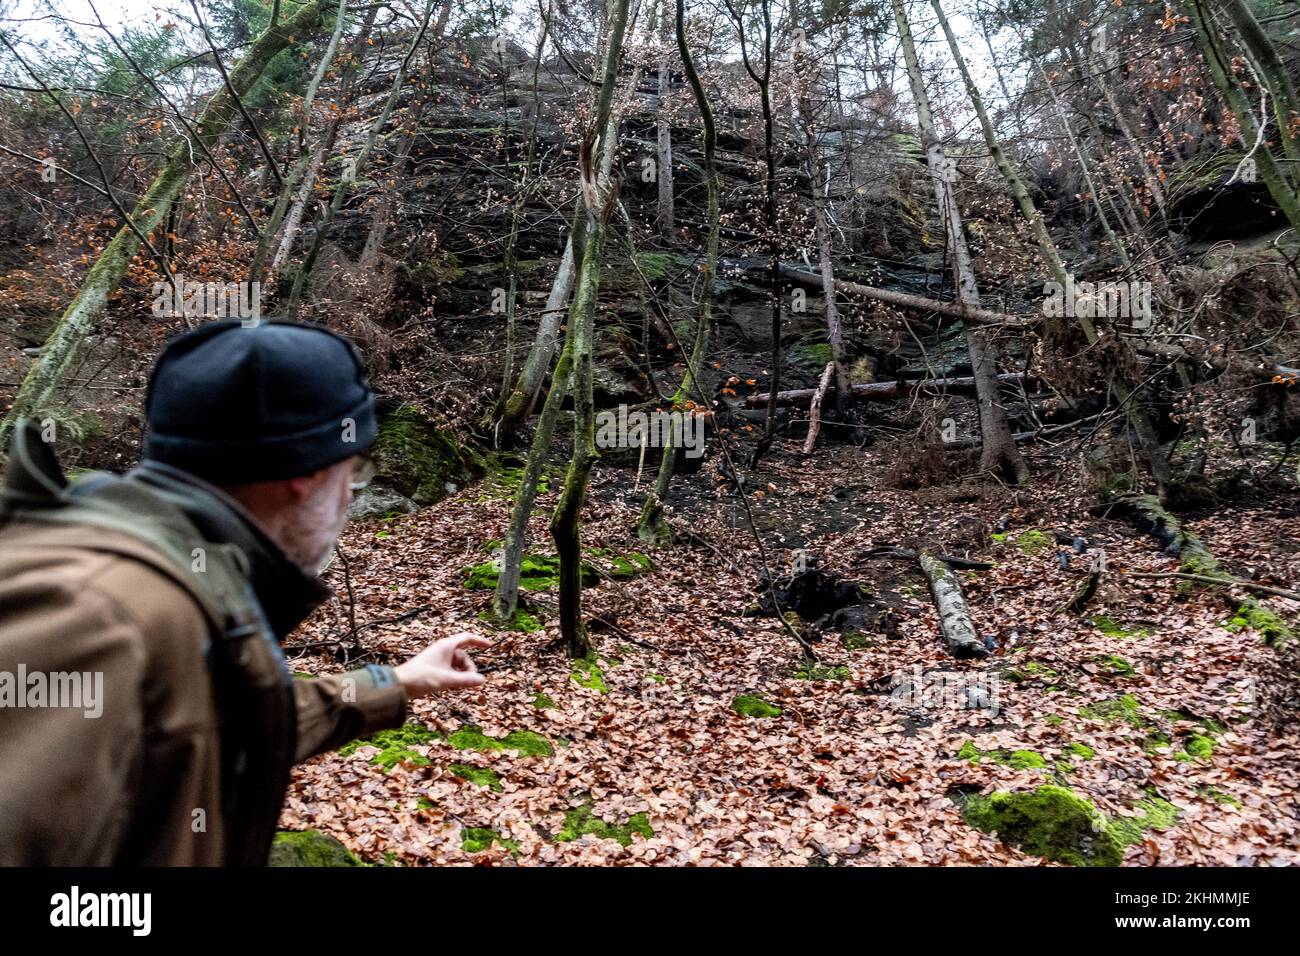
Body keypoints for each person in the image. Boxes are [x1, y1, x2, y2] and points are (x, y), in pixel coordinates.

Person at [0, 319, 489, 865]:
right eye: (354, 474)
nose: (350, 498)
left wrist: (397, 682)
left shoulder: (177, 584)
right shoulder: (99, 612)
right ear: (309, 474)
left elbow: (231, 719)